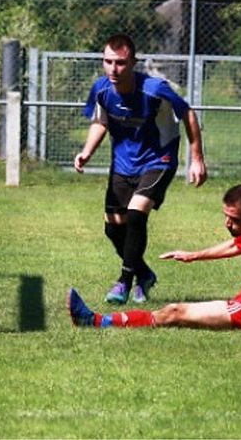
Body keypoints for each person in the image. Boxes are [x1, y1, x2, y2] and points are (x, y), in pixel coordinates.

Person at [68, 184, 241, 337]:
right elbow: (238, 244)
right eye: (226, 216)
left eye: (234, 220)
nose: (227, 224)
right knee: (174, 312)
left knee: (175, 312)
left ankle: (94, 321)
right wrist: (194, 255)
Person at [74, 33, 207, 305]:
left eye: (121, 63)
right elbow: (100, 122)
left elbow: (188, 114)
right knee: (113, 229)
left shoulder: (155, 89)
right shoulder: (101, 89)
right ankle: (144, 274)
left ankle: (124, 281)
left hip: (159, 160)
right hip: (123, 165)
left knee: (136, 215)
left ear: (133, 62)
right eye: (108, 62)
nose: (113, 68)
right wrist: (87, 152)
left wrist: (196, 158)